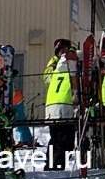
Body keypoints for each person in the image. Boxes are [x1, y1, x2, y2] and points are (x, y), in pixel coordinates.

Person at [44, 38, 78, 171]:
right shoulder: (54, 62)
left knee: (67, 141)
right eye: (62, 50)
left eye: (67, 50)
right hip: (57, 104)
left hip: (66, 104)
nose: (65, 53)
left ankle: (58, 165)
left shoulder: (71, 61)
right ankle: (52, 166)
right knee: (58, 139)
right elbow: (47, 78)